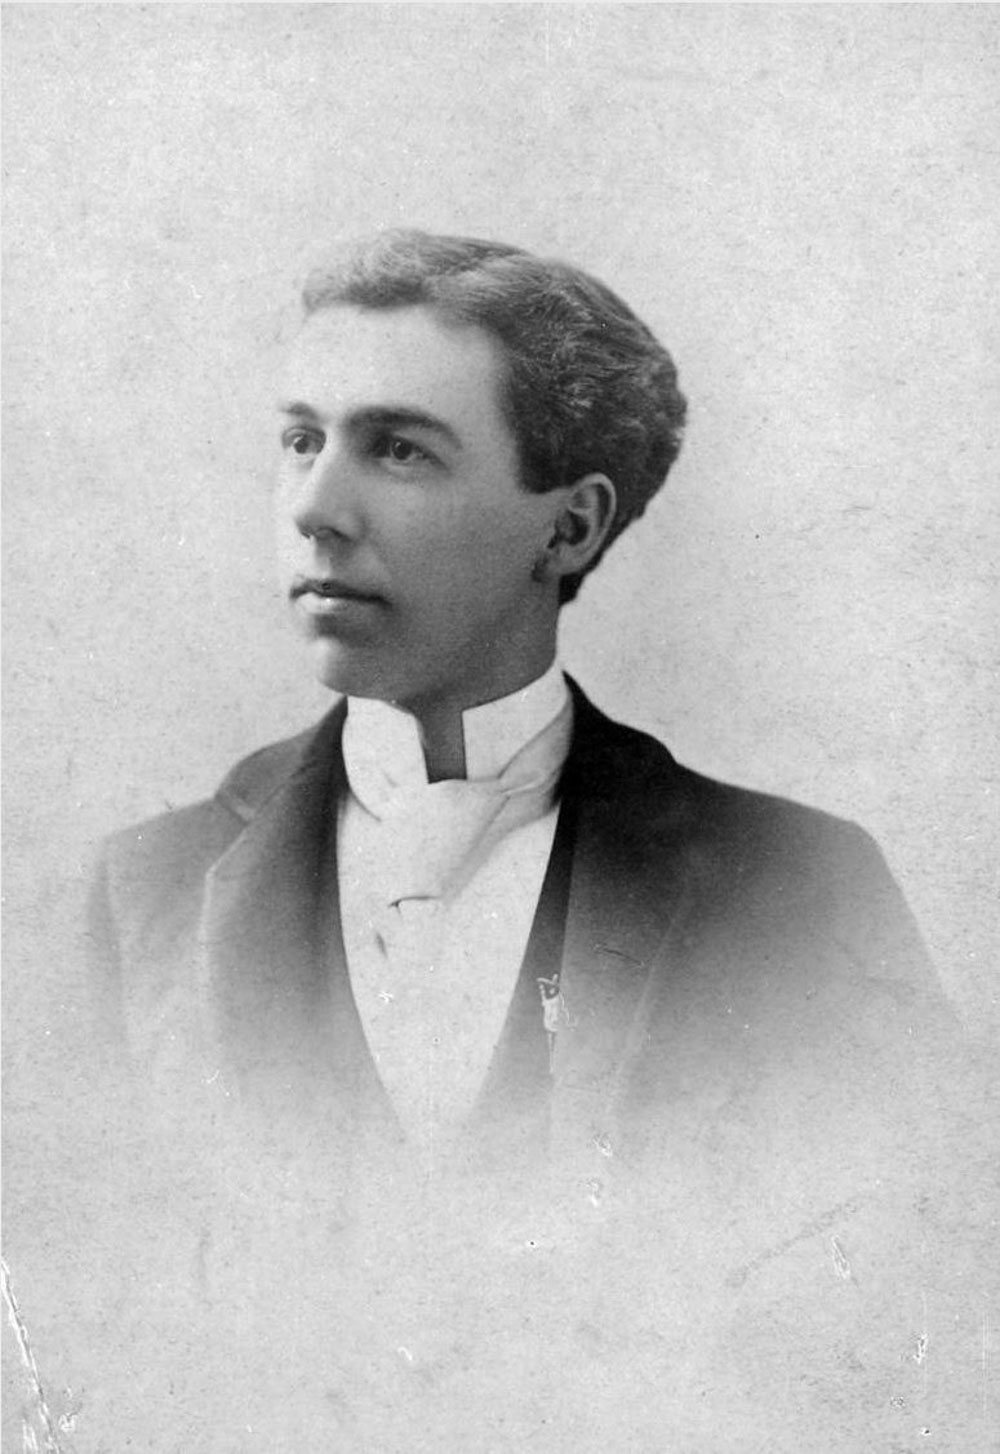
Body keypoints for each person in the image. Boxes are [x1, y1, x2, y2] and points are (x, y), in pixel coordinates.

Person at [80, 232, 987, 1450]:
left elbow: (922, 1328)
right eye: (300, 439)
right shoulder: (140, 893)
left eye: (398, 448)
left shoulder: (796, 891)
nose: (314, 508)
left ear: (568, 527)